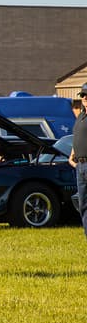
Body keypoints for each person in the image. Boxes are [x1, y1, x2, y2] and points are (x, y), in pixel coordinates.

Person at [68, 83, 87, 240]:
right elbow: (77, 136)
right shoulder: (81, 116)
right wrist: (72, 155)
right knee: (83, 204)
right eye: (83, 95)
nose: (85, 98)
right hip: (80, 165)